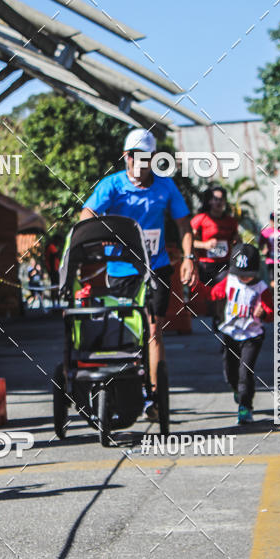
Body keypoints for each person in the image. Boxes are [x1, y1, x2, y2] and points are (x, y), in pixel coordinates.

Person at [80, 127, 197, 420]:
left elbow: (184, 225)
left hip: (155, 268)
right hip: (120, 270)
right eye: (133, 156)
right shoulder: (112, 185)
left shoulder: (165, 186)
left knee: (153, 330)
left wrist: (189, 258)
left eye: (144, 157)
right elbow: (86, 215)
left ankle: (155, 398)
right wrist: (101, 231)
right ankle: (124, 389)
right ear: (125, 156)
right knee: (125, 331)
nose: (138, 162)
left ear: (153, 158)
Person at [197, 243, 274, 424]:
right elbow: (212, 294)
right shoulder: (229, 281)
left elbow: (271, 313)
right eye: (240, 274)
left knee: (245, 373)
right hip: (230, 334)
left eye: (248, 275)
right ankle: (237, 391)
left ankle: (245, 407)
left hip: (252, 336)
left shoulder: (262, 288)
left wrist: (264, 310)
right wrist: (195, 286)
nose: (243, 278)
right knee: (231, 373)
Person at [191, 186, 240, 288]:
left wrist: (237, 241)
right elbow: (189, 241)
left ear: (225, 202)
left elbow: (237, 241)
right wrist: (204, 245)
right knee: (206, 297)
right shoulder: (200, 219)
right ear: (210, 201)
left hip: (224, 265)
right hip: (205, 265)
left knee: (222, 294)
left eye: (221, 199)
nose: (218, 202)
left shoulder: (231, 222)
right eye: (215, 199)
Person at [259, 211, 280, 287]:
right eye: (273, 220)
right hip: (271, 261)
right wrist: (263, 250)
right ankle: (275, 295)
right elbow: (260, 244)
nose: (275, 222)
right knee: (273, 282)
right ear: (270, 221)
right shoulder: (265, 232)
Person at [45, 236, 61, 308]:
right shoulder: (51, 246)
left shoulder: (52, 246)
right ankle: (55, 303)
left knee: (56, 286)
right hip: (53, 270)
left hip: (55, 269)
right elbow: (54, 255)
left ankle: (57, 302)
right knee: (55, 286)